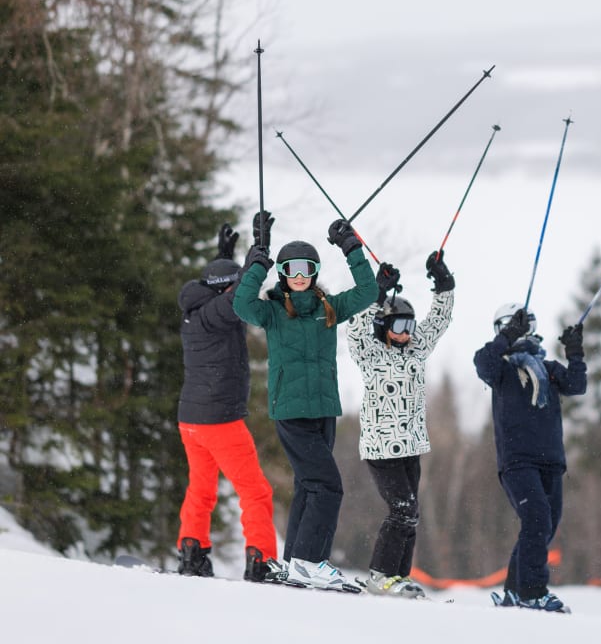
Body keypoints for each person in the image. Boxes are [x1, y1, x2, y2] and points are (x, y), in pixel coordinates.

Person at [232, 213, 376, 590]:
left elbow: (368, 292)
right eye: (290, 268)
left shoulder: (329, 309)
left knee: (309, 486)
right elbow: (241, 305)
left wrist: (352, 247)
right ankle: (312, 561)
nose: (298, 275)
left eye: (305, 268)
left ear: (314, 272)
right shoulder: (274, 311)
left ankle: (296, 560)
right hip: (292, 413)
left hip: (324, 411)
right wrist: (257, 262)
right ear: (282, 273)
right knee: (329, 487)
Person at [175, 219, 280, 581]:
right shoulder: (219, 312)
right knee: (255, 492)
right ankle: (261, 560)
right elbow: (239, 296)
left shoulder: (196, 309)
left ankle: (192, 554)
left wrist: (226, 257)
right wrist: (258, 260)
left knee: (201, 488)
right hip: (219, 421)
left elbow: (226, 289)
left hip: (190, 421)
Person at [347, 251, 455, 598]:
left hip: (411, 445)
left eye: (410, 326)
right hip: (381, 447)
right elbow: (357, 328)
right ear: (384, 326)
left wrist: (443, 283)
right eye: (399, 326)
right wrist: (377, 293)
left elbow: (438, 321)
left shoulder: (415, 351)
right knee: (402, 509)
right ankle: (380, 575)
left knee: (412, 513)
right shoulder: (371, 353)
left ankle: (398, 577)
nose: (407, 333)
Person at [473, 302, 587, 612]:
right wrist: (507, 337)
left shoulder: (547, 369)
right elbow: (482, 362)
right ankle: (533, 591)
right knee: (537, 518)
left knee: (543, 527)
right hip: (517, 461)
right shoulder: (502, 369)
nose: (525, 332)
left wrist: (575, 353)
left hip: (551, 460)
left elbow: (577, 386)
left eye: (527, 325)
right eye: (514, 326)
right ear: (501, 330)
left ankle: (514, 590)